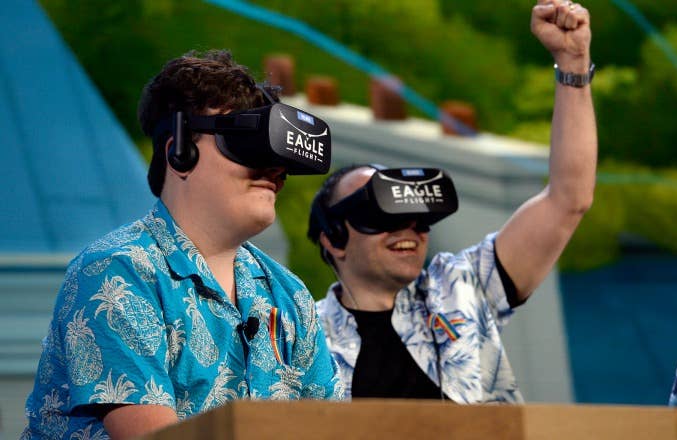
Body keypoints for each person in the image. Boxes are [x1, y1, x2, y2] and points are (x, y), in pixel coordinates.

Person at [22, 49, 343, 440]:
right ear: (179, 152)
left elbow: (333, 430)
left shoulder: (290, 297)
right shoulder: (119, 271)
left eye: (278, 158)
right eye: (247, 142)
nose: (274, 170)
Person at [308, 0, 597, 402]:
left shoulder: (461, 288)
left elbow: (569, 199)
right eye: (382, 213)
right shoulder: (303, 341)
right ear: (334, 237)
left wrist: (574, 64)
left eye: (416, 215)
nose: (408, 228)